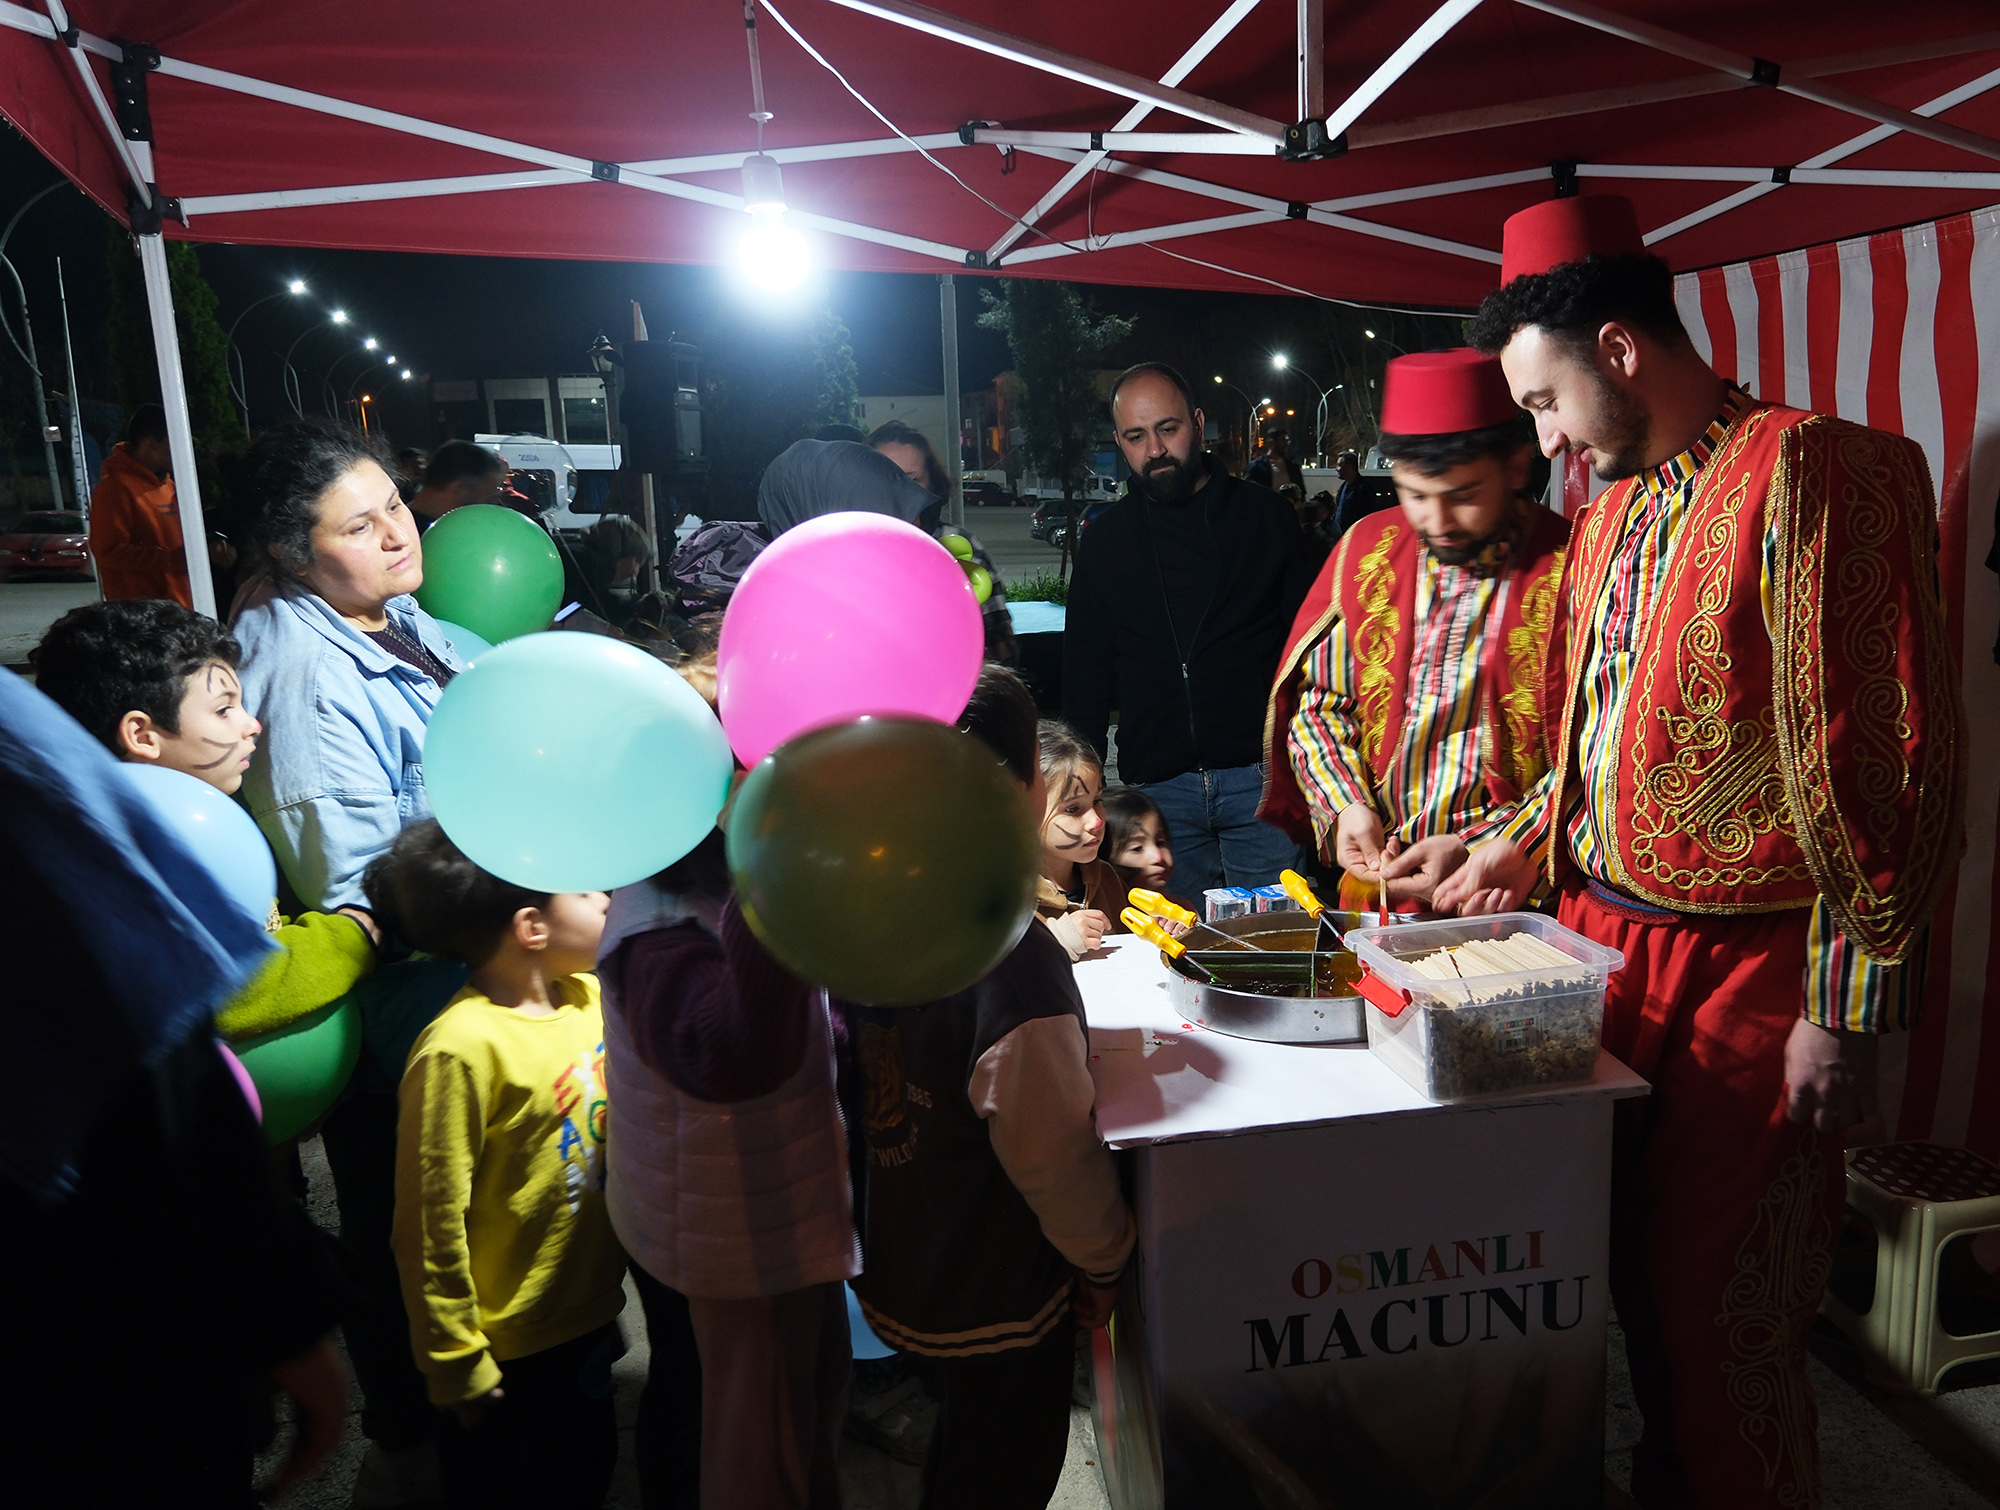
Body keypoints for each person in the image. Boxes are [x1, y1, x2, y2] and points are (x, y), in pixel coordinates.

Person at [1436, 194, 1962, 1510]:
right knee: (1617, 1274)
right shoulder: (1610, 511)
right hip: (1602, 948)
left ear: (1619, 348)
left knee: (1724, 1309)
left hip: (1752, 970)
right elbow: (1601, 733)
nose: (1544, 441)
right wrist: (1516, 844)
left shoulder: (1815, 468)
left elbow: (1885, 748)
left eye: (1545, 401)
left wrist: (1844, 1006)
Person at [0, 669, 352, 1509]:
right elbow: (158, 1045)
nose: (252, 725)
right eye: (224, 706)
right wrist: (284, 1319)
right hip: (96, 1323)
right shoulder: (20, 754)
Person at [231, 419, 466, 1505]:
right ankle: (413, 1441)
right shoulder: (308, 679)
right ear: (292, 550)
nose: (397, 533)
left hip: (465, 975)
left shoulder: (385, 613)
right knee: (409, 1234)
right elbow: (366, 890)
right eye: (359, 525)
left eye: (396, 506)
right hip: (411, 1008)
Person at [847, 664, 1135, 1510]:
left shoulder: (874, 907)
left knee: (964, 1442)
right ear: (1018, 789)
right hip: (997, 1286)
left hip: (906, 1248)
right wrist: (1106, 1257)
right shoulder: (1013, 964)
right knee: (1007, 1465)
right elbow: (1053, 1156)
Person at [598, 818, 858, 1510]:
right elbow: (727, 1057)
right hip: (737, 1231)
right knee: (759, 1443)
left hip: (770, 1206)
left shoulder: (710, 878)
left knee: (805, 1394)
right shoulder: (660, 926)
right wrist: (773, 878)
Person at [367, 822, 625, 1510]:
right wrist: (454, 1358)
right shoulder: (459, 1050)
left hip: (585, 1311)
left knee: (586, 1475)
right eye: (583, 891)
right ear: (531, 927)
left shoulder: (588, 998)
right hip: (505, 1348)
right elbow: (426, 1225)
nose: (604, 898)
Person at [1258, 350, 1570, 915]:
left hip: (1513, 892)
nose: (1436, 522)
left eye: (1463, 495)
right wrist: (1347, 806)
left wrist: (1493, 844)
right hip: (1383, 887)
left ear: (1516, 467)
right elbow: (1322, 706)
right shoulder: (1367, 551)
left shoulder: (1576, 565)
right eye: (1415, 494)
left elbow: (1600, 748)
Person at [31, 598, 379, 1043]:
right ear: (142, 735)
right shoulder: (125, 857)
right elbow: (213, 988)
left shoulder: (204, 811)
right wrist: (348, 939)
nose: (252, 724)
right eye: (223, 710)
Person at [1063, 362, 1314, 899]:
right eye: (1136, 436)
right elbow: (1086, 669)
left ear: (1198, 424)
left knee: (1274, 943)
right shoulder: (1105, 542)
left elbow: (1311, 652)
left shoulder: (1265, 518)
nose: (1155, 449)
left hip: (1260, 782)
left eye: (1167, 429)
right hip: (1157, 792)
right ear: (1119, 443)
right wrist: (1079, 789)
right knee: (1174, 947)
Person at [870, 419, 1018, 664]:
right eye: (885, 477)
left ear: (932, 484)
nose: (898, 491)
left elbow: (1002, 648)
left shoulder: (958, 546)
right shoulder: (845, 551)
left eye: (912, 480)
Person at [1034, 719, 1127, 961]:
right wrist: (1057, 939)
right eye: (1073, 809)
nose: (1096, 821)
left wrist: (1157, 929)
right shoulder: (1003, 897)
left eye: (1097, 801)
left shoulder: (1106, 877)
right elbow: (987, 972)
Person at [87, 402, 190, 604]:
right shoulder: (115, 488)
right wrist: (173, 558)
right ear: (150, 444)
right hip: (143, 611)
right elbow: (108, 552)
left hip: (176, 606)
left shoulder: (168, 484)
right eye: (174, 443)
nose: (182, 451)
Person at [406, 440, 505, 529]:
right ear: (461, 488)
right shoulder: (447, 535)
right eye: (490, 499)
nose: (496, 505)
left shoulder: (404, 524)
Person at [1101, 785, 1175, 897]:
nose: (1158, 857)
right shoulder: (1102, 908)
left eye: (1160, 843)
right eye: (1137, 848)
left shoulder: (1181, 905)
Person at [1245, 425, 1302, 500]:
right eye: (1282, 440)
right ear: (1272, 442)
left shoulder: (1293, 466)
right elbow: (1250, 490)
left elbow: (1301, 492)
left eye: (1287, 440)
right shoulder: (1257, 466)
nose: (1286, 444)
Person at [1328, 449, 1368, 539]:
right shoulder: (1343, 487)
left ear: (1349, 468)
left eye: (1339, 465)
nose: (1336, 469)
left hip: (1355, 537)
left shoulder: (1363, 489)